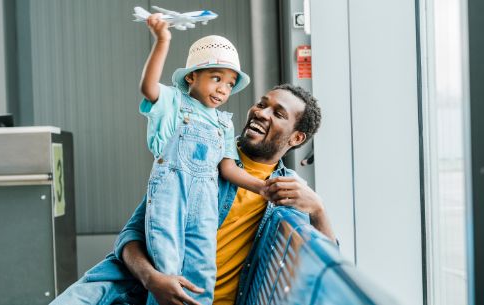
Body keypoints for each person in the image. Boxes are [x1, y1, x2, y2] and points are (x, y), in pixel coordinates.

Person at [50, 84, 336, 305]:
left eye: (278, 113)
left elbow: (327, 268)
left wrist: (319, 210)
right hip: (143, 294)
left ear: (297, 138)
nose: (261, 112)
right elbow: (131, 236)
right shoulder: (198, 153)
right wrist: (154, 280)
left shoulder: (288, 191)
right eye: (262, 104)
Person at [136, 14, 266, 305]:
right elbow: (148, 88)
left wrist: (261, 187)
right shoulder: (172, 103)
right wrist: (162, 41)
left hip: (205, 205)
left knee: (203, 270)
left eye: (230, 83)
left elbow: (228, 168)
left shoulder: (224, 123)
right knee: (167, 267)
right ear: (192, 77)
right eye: (216, 78)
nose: (223, 89)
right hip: (171, 197)